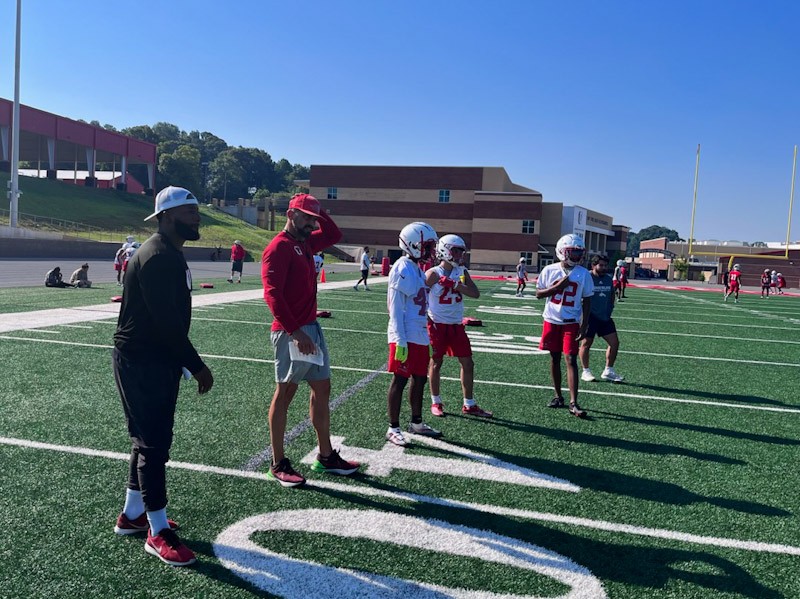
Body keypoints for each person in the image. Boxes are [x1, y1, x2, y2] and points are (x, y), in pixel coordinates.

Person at [112, 186, 214, 568]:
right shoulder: (156, 256)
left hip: (155, 359)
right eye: (190, 212)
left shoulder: (170, 252)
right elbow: (166, 323)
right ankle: (156, 531)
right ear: (167, 216)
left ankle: (133, 515)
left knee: (148, 441)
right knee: (153, 445)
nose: (197, 218)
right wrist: (196, 364)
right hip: (142, 360)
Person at [262, 193, 360, 487]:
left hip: (311, 328)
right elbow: (272, 295)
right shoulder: (278, 247)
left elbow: (334, 234)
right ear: (290, 214)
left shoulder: (304, 242)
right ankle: (277, 462)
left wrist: (319, 210)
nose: (311, 224)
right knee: (285, 394)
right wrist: (295, 331)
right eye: (305, 217)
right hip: (290, 332)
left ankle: (326, 455)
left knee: (323, 388)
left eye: (313, 219)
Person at [385, 221, 442, 446]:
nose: (430, 251)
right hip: (405, 334)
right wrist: (399, 339)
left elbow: (419, 302)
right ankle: (393, 427)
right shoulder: (402, 268)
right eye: (427, 246)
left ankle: (416, 422)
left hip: (418, 334)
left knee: (420, 378)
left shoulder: (416, 269)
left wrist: (427, 327)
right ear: (413, 244)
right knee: (400, 379)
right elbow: (395, 307)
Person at [426, 235, 491, 418]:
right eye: (455, 250)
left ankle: (469, 404)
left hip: (456, 325)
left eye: (461, 251)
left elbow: (475, 293)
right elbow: (419, 298)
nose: (459, 255)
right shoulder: (433, 273)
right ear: (445, 250)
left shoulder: (461, 271)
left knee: (468, 362)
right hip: (437, 324)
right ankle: (436, 401)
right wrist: (424, 320)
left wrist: (456, 285)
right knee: (436, 362)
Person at [536, 234, 594, 418]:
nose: (577, 257)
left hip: (571, 322)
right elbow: (539, 294)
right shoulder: (549, 270)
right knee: (554, 358)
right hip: (551, 320)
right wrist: (556, 288)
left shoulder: (583, 273)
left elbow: (587, 300)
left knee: (570, 359)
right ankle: (558, 396)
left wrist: (584, 325)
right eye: (573, 252)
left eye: (578, 253)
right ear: (561, 252)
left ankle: (574, 402)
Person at [579, 255, 624, 384]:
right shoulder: (586, 277)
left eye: (605, 265)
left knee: (614, 343)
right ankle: (585, 371)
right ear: (594, 265)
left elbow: (611, 296)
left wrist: (609, 309)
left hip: (604, 317)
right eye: (601, 265)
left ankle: (608, 370)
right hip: (590, 316)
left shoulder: (608, 279)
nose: (604, 268)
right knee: (586, 344)